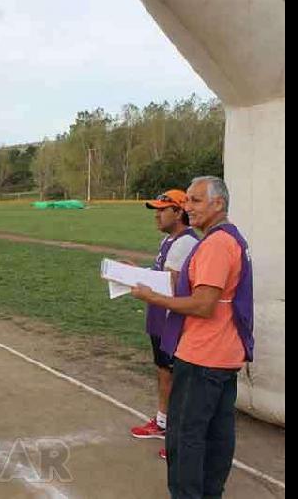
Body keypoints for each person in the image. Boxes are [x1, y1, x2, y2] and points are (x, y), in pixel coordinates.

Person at [129, 176, 254, 498]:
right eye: (187, 200)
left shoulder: (215, 244)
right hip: (224, 353)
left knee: (185, 435)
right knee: (217, 433)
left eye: (196, 201)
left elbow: (203, 304)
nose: (188, 207)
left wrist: (153, 298)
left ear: (218, 204)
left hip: (203, 356)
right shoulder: (230, 238)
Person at [128, 190, 199, 461]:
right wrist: (136, 272)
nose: (157, 214)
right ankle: (162, 423)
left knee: (176, 376)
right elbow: (161, 275)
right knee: (164, 371)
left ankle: (179, 437)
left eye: (162, 209)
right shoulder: (170, 240)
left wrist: (137, 277)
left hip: (172, 320)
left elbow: (170, 283)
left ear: (179, 212)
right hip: (160, 317)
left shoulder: (184, 243)